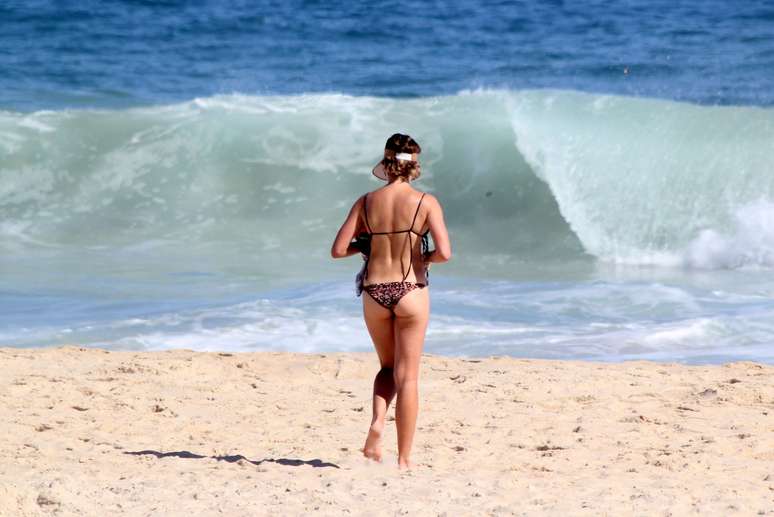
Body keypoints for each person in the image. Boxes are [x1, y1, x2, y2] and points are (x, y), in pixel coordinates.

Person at [331, 133, 451, 469]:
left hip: (374, 292)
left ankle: (377, 422)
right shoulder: (426, 202)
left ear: (386, 163)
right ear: (414, 166)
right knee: (408, 377)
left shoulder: (366, 201)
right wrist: (423, 258)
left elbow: (338, 250)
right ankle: (405, 459)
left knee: (386, 367)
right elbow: (444, 253)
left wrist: (365, 247)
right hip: (410, 289)